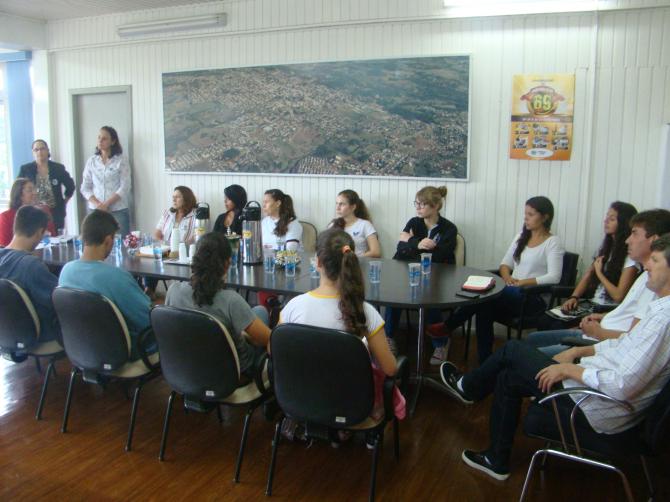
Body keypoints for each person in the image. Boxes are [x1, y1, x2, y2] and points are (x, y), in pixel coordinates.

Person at [438, 233, 670, 481]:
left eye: (655, 261)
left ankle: (468, 388)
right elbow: (622, 345)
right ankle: (496, 459)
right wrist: (578, 352)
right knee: (508, 375)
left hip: (597, 406)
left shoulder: (663, 320)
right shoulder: (659, 310)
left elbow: (623, 385)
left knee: (512, 350)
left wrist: (570, 369)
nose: (647, 265)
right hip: (594, 392)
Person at [280, 228, 401, 440]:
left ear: (318, 262)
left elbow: (274, 352)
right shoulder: (365, 312)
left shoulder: (293, 307)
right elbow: (390, 369)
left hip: (300, 400)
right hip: (352, 406)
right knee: (387, 347)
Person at [527, 208, 670, 356]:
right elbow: (625, 313)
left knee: (524, 354)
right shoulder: (644, 274)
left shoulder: (654, 284)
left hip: (600, 343)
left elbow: (632, 340)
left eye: (634, 233)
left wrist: (597, 332)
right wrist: (599, 314)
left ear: (653, 240)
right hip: (598, 329)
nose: (628, 240)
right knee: (532, 338)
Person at [165, 232, 271, 378]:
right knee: (261, 312)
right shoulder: (231, 301)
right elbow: (270, 339)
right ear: (228, 263)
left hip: (187, 370)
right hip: (234, 375)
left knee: (258, 311)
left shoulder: (173, 291)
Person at [58, 210, 154, 360]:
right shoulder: (116, 277)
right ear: (108, 240)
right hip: (124, 352)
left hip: (81, 349)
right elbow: (148, 319)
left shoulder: (66, 271)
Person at [536, 201, 639, 330]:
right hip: (592, 303)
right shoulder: (605, 248)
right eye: (606, 217)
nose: (606, 221)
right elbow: (588, 275)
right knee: (544, 320)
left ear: (623, 223)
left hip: (608, 309)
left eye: (612, 219)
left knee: (557, 325)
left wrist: (599, 273)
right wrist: (574, 297)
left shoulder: (630, 257)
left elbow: (618, 296)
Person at [384, 185, 458, 364]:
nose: (417, 207)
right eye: (416, 203)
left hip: (437, 278)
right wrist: (417, 243)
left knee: (430, 299)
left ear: (435, 206)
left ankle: (440, 343)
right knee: (393, 296)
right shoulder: (414, 222)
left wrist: (409, 242)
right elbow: (400, 248)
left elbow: (441, 256)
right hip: (409, 274)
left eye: (422, 204)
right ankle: (389, 338)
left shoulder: (449, 228)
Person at [0, 206, 61, 356]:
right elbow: (61, 301)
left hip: (8, 333)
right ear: (40, 232)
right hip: (42, 335)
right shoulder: (32, 266)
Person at [80, 126, 132, 237]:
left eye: (104, 138)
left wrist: (106, 204)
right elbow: (85, 187)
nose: (100, 141)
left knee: (120, 241)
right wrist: (98, 204)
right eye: (99, 137)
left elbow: (125, 186)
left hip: (117, 210)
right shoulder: (92, 161)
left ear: (113, 141)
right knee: (95, 241)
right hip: (96, 209)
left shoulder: (121, 160)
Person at [19, 139, 75, 231]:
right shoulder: (26, 169)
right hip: (33, 212)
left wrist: (64, 202)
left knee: (56, 236)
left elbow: (70, 186)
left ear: (47, 150)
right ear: (33, 152)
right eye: (36, 150)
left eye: (42, 149)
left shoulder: (58, 168)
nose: (39, 152)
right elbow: (18, 188)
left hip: (55, 213)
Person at [0, 178, 55, 246]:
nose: (35, 193)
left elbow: (52, 236)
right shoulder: (6, 217)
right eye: (30, 190)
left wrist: (46, 215)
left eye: (35, 189)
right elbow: (4, 246)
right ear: (19, 195)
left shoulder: (41, 212)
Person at [328, 190, 381, 257]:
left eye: (342, 204)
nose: (337, 208)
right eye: (337, 203)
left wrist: (353, 259)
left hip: (357, 262)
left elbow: (376, 252)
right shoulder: (332, 225)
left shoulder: (365, 225)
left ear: (353, 207)